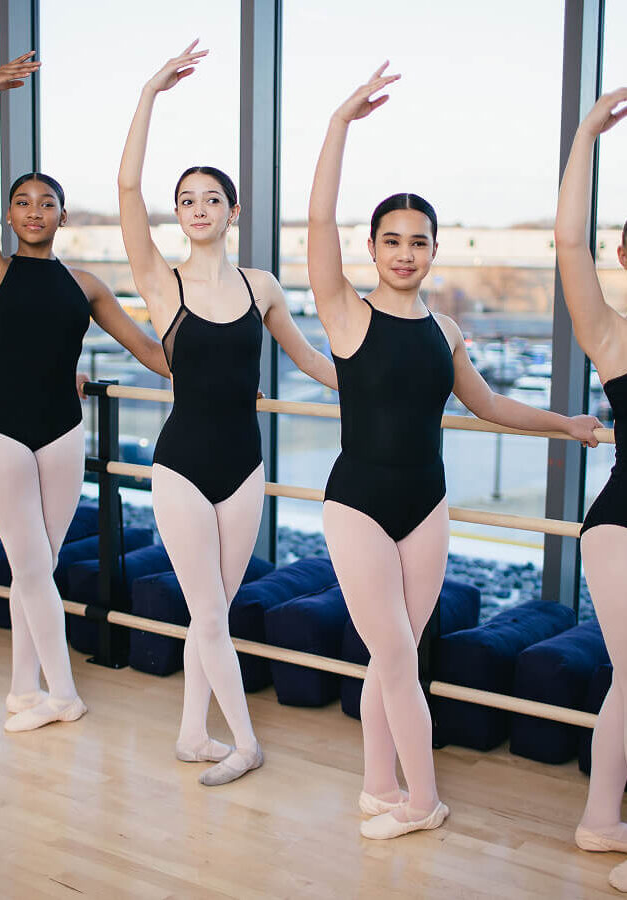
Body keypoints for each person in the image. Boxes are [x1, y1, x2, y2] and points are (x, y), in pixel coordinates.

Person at [308, 63, 602, 838]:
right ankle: (423, 802)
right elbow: (313, 226)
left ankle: (379, 782)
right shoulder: (345, 314)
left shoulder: (443, 330)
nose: (405, 253)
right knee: (398, 654)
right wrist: (338, 126)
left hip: (426, 506)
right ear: (371, 246)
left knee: (393, 656)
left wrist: (564, 423)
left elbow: (489, 403)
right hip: (358, 505)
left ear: (435, 250)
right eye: (393, 241)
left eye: (419, 242)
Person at [119, 42, 338, 785]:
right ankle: (243, 741)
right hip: (181, 464)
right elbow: (124, 189)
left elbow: (310, 361)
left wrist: (377, 381)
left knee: (209, 613)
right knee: (209, 613)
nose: (199, 209)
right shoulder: (160, 281)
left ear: (232, 210)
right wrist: (150, 92)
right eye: (186, 201)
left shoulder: (262, 286)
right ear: (177, 215)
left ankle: (190, 735)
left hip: (245, 468)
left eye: (211, 198)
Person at [0, 52, 170, 731]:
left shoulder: (86, 285)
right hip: (3, 427)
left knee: (34, 566)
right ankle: (63, 695)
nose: (34, 210)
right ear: (11, 215)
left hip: (63, 430)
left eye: (47, 202)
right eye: (22, 201)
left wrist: (219, 373)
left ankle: (22, 688)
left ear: (63, 215)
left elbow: (149, 351)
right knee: (33, 560)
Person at [555, 88, 627, 894]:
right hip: (622, 527)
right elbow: (567, 242)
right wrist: (585, 138)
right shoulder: (613, 336)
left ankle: (602, 819)